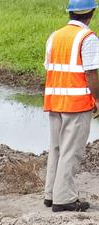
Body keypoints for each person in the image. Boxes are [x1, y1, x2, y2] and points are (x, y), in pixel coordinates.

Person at [43, 0, 99, 213]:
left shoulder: (54, 36)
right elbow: (91, 73)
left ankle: (51, 194)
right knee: (71, 151)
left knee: (56, 148)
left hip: (54, 101)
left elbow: (50, 68)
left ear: (70, 13)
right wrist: (98, 99)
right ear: (91, 13)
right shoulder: (88, 38)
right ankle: (64, 198)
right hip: (76, 104)